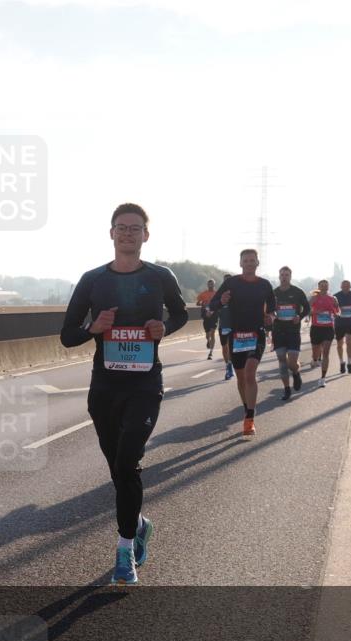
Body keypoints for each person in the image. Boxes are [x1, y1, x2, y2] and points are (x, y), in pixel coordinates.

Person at [61, 203, 187, 585]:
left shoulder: (161, 277)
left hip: (146, 385)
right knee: (118, 468)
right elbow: (67, 336)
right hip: (105, 388)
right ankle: (140, 522)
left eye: (135, 228)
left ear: (146, 235)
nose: (128, 234)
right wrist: (94, 326)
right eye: (122, 228)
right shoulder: (93, 280)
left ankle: (124, 549)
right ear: (111, 233)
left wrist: (163, 327)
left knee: (129, 460)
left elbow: (181, 314)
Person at [208, 249, 275, 438]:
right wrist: (221, 300)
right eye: (245, 260)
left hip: (257, 334)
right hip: (237, 336)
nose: (249, 263)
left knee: (249, 374)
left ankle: (250, 419)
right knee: (240, 378)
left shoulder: (265, 285)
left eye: (252, 260)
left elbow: (272, 309)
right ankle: (247, 409)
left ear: (257, 263)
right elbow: (212, 305)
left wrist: (270, 317)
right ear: (240, 263)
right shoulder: (231, 283)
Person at [271, 266, 311, 401]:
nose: (284, 277)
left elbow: (307, 308)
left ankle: (296, 372)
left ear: (290, 276)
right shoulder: (273, 293)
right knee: (282, 361)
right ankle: (287, 389)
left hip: (293, 331)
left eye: (286, 275)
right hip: (278, 331)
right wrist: (272, 314)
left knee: (292, 362)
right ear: (279, 276)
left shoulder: (298, 292)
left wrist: (299, 316)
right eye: (282, 274)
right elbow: (268, 309)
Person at [309, 280, 340, 387]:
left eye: (326, 285)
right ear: (319, 287)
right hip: (316, 328)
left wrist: (336, 307)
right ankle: (314, 359)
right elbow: (307, 310)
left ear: (328, 287)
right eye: (321, 285)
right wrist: (314, 312)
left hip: (328, 328)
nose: (323, 287)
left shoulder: (333, 298)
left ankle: (323, 378)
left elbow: (337, 312)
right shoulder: (314, 298)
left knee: (326, 353)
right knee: (315, 352)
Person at [334, 280, 351, 374]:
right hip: (339, 323)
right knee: (339, 344)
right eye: (344, 286)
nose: (345, 287)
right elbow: (333, 307)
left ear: (350, 287)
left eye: (347, 286)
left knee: (349, 342)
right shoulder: (336, 295)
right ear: (341, 286)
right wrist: (336, 311)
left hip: (350, 322)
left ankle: (349, 363)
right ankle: (341, 362)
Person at [217, 273, 235, 380]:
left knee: (231, 347)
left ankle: (230, 365)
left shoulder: (236, 294)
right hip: (223, 325)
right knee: (224, 347)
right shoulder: (220, 294)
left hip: (234, 325)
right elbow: (214, 305)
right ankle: (228, 365)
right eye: (225, 281)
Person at [196, 279, 217, 359]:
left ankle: (210, 353)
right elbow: (197, 303)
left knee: (212, 333)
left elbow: (219, 303)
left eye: (212, 284)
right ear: (207, 285)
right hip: (205, 315)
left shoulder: (217, 294)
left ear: (214, 285)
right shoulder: (203, 294)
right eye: (209, 284)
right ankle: (208, 341)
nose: (210, 285)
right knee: (207, 334)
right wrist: (202, 303)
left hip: (214, 315)